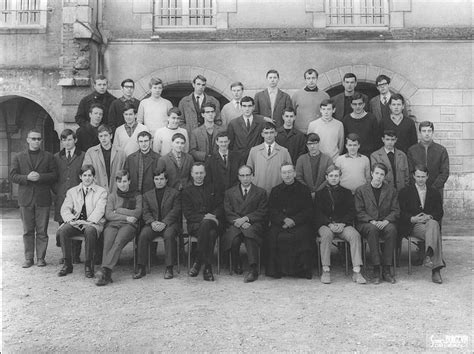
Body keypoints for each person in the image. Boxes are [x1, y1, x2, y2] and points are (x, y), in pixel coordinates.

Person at [10, 129, 57, 268]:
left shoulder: (48, 156)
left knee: (42, 231)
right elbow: (12, 176)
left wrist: (41, 177)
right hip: (25, 199)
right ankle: (29, 258)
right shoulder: (19, 157)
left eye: (39, 139)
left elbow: (54, 175)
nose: (36, 141)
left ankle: (41, 258)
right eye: (33, 138)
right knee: (27, 230)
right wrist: (26, 178)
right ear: (28, 140)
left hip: (43, 198)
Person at [315, 165, 366, 284]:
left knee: (355, 235)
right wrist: (329, 224)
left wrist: (343, 223)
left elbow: (351, 211)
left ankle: (357, 271)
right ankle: (326, 270)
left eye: (336, 176)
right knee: (326, 236)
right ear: (326, 177)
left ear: (340, 177)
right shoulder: (320, 194)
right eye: (331, 176)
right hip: (326, 225)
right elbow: (317, 213)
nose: (334, 178)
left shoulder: (347, 192)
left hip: (343, 224)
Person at [57, 165, 107, 278]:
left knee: (89, 231)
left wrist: (88, 222)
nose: (87, 178)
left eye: (90, 175)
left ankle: (89, 265)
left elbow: (100, 210)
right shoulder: (72, 191)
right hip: (76, 222)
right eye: (85, 175)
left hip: (93, 223)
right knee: (64, 230)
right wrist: (72, 220)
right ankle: (67, 264)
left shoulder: (101, 192)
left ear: (94, 177)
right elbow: (65, 209)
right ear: (80, 177)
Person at [399, 165, 445, 284]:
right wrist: (412, 218)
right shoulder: (405, 191)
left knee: (433, 224)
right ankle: (435, 269)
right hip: (414, 226)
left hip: (429, 224)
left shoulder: (434, 192)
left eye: (423, 177)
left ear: (427, 177)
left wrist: (429, 216)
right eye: (418, 176)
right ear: (413, 176)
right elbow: (400, 212)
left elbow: (440, 212)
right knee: (435, 232)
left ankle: (430, 256)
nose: (420, 179)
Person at [355, 162, 399, 284]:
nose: (379, 176)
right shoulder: (361, 190)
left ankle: (386, 269)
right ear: (371, 174)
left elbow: (396, 211)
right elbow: (359, 211)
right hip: (367, 222)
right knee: (372, 229)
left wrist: (386, 221)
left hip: (385, 222)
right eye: (377, 173)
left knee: (391, 229)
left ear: (385, 176)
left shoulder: (391, 191)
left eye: (382, 174)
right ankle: (376, 268)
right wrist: (371, 220)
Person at [266, 164, 313, 279]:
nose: (287, 175)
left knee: (303, 235)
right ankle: (276, 270)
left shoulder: (304, 189)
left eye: (289, 172)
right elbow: (271, 210)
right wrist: (283, 219)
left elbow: (308, 210)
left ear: (294, 173)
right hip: (280, 223)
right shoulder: (275, 190)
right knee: (272, 236)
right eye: (284, 173)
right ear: (281, 175)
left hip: (299, 223)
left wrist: (294, 220)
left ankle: (301, 270)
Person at [95, 170, 142, 286]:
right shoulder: (112, 196)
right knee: (108, 241)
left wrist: (119, 211)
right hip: (114, 224)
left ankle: (104, 270)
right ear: (116, 182)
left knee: (118, 241)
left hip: (129, 226)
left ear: (129, 181)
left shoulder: (137, 195)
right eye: (119, 181)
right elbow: (109, 214)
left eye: (125, 181)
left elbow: (137, 213)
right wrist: (126, 217)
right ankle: (107, 274)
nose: (122, 184)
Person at [222, 165, 268, 283]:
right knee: (235, 239)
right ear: (238, 177)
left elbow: (262, 211)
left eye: (248, 175)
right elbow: (228, 211)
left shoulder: (261, 192)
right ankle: (236, 263)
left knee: (249, 237)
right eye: (242, 175)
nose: (245, 178)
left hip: (252, 224)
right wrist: (240, 221)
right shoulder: (229, 193)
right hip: (236, 224)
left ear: (252, 176)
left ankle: (253, 268)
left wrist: (247, 219)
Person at [133, 170, 181, 279]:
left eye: (162, 179)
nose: (159, 182)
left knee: (169, 236)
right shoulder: (147, 195)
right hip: (153, 224)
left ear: (166, 180)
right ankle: (141, 267)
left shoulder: (174, 193)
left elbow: (176, 211)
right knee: (143, 235)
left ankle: (169, 268)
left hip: (169, 224)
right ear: (153, 180)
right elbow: (145, 212)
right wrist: (152, 222)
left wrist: (164, 222)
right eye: (157, 179)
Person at [182, 163, 224, 281]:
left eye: (201, 173)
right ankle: (207, 267)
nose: (199, 176)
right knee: (210, 234)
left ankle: (198, 261)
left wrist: (214, 215)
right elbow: (189, 214)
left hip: (214, 222)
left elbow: (220, 205)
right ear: (191, 174)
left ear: (205, 174)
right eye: (196, 173)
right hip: (195, 224)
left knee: (209, 228)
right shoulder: (186, 191)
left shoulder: (213, 188)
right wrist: (206, 218)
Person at [53, 129, 86, 264]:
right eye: (64, 140)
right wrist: (59, 190)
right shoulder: (56, 157)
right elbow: (53, 177)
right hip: (62, 197)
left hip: (78, 197)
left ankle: (76, 255)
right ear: (61, 141)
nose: (67, 142)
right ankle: (66, 255)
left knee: (77, 223)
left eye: (70, 139)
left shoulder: (82, 155)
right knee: (63, 225)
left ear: (75, 140)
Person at [247, 122, 292, 194]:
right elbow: (248, 172)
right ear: (262, 134)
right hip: (258, 191)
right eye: (266, 133)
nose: (269, 135)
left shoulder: (284, 151)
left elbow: (289, 173)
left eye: (271, 132)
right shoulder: (254, 151)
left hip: (278, 191)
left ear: (276, 133)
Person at [407, 121, 449, 198]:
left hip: (436, 190)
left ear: (432, 132)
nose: (427, 133)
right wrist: (418, 185)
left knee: (435, 209)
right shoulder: (412, 150)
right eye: (424, 131)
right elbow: (410, 171)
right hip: (417, 190)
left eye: (429, 131)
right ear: (420, 132)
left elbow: (444, 172)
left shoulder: (441, 150)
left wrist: (433, 187)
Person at [83, 124, 127, 193]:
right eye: (101, 136)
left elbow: (124, 173)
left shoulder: (121, 153)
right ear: (98, 137)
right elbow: (86, 173)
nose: (103, 138)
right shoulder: (91, 152)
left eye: (106, 135)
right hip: (97, 191)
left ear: (111, 136)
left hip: (116, 191)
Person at [295, 133, 333, 199]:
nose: (312, 146)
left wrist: (317, 192)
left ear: (319, 143)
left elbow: (329, 178)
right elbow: (298, 177)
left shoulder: (327, 159)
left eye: (315, 143)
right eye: (309, 144)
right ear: (306, 145)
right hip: (305, 194)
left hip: (323, 194)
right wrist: (308, 191)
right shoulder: (301, 159)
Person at [291, 68, 330, 133]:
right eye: (308, 78)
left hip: (319, 131)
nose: (311, 81)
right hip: (299, 132)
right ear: (305, 80)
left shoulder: (325, 96)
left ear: (317, 79)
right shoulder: (296, 95)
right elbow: (291, 114)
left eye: (313, 78)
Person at [227, 96, 265, 162]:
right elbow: (230, 144)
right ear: (241, 107)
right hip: (239, 159)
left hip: (257, 158)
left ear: (253, 107)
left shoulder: (261, 122)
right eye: (244, 106)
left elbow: (264, 141)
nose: (247, 109)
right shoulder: (233, 123)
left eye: (249, 106)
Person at [341, 93, 380, 157]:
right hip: (351, 156)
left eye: (360, 104)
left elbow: (377, 140)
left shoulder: (372, 118)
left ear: (364, 104)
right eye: (354, 104)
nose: (357, 106)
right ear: (351, 105)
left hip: (369, 155)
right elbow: (344, 141)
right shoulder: (346, 119)